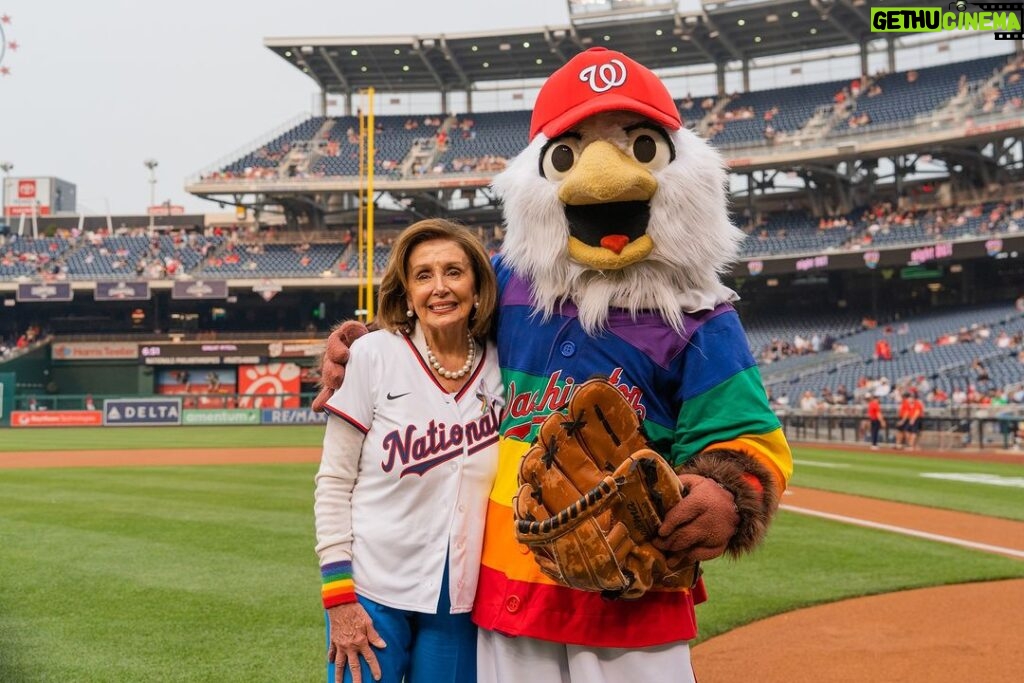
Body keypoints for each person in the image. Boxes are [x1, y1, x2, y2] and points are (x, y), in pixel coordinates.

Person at [315, 48, 792, 683]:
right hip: (510, 582)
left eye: (639, 146)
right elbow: (437, 329)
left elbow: (749, 439)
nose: (601, 179)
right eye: (567, 155)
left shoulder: (699, 313)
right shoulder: (510, 282)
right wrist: (368, 346)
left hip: (632, 588)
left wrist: (728, 494)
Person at [314, 219, 502, 683]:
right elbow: (334, 482)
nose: (440, 288)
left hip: (460, 597)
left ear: (477, 286)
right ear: (406, 292)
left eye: (454, 272)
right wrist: (339, 598)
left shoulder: (504, 363)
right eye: (423, 275)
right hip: (371, 590)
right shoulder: (373, 355)